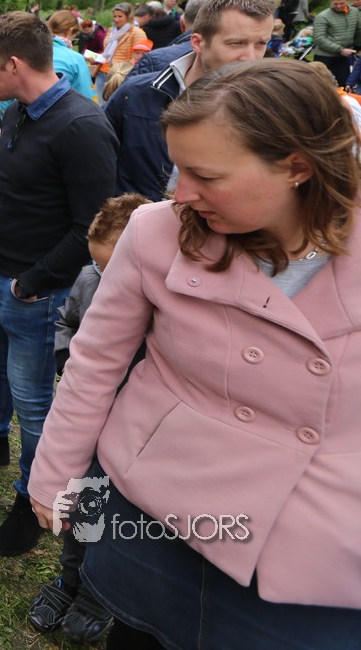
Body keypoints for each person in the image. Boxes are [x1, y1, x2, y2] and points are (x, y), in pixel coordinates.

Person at [31, 60, 361, 649]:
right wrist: (54, 476)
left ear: (298, 167)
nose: (181, 193)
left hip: (311, 550)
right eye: (178, 168)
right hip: (156, 511)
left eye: (205, 175)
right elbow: (95, 363)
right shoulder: (157, 231)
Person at [0, 11, 117, 557]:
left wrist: (31, 282)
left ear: (14, 64)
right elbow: (9, 191)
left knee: (35, 401)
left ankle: (31, 496)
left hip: (35, 292)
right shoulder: (14, 112)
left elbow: (92, 226)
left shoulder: (82, 126)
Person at [26, 192, 149, 644]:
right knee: (85, 508)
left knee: (122, 521)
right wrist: (68, 360)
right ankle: (71, 580)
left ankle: (100, 596)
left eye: (113, 268)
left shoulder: (166, 299)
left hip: (140, 436)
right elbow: (67, 321)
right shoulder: (88, 278)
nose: (104, 276)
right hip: (91, 427)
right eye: (98, 266)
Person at [106, 0, 274, 200]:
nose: (250, 57)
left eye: (260, 44)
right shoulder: (136, 95)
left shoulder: (268, 110)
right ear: (197, 42)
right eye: (236, 43)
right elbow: (97, 163)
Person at [310, 0, 360, 87]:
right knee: (322, 86)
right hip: (325, 56)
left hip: (343, 57)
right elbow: (319, 38)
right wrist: (340, 50)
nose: (338, 6)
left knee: (344, 85)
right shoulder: (323, 16)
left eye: (342, 3)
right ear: (331, 1)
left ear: (348, 0)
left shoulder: (355, 12)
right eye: (335, 3)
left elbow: (358, 30)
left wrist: (357, 46)